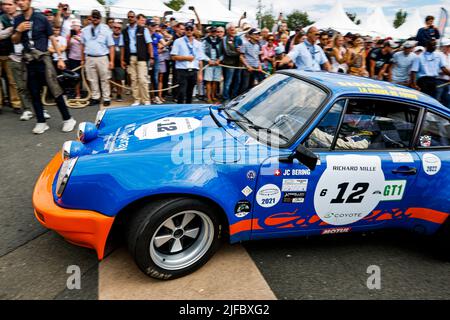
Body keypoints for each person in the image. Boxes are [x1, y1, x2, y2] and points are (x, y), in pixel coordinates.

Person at [12, 0, 76, 134]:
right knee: (34, 92)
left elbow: (52, 38)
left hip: (43, 59)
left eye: (23, 0)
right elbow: (15, 40)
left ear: (29, 1)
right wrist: (18, 31)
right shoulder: (17, 19)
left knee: (55, 90)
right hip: (29, 61)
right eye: (18, 1)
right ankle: (41, 121)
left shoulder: (40, 18)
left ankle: (68, 119)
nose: (21, 3)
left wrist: (59, 58)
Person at [80, 9, 114, 107]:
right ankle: (95, 97)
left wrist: (111, 61)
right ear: (91, 18)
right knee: (92, 79)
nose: (95, 19)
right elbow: (82, 45)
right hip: (89, 57)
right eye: (93, 17)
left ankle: (106, 98)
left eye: (97, 17)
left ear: (100, 18)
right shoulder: (85, 30)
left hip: (102, 57)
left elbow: (111, 46)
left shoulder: (106, 29)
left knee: (105, 79)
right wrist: (82, 59)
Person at [121, 12, 153, 106]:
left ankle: (146, 100)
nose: (130, 18)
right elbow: (122, 46)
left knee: (142, 79)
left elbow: (149, 43)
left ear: (135, 18)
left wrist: (151, 57)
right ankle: (137, 99)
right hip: (130, 57)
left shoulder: (143, 29)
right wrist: (123, 59)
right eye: (129, 17)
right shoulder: (125, 31)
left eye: (132, 17)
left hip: (141, 57)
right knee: (134, 80)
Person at [170, 22, 204, 104]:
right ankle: (179, 110)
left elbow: (200, 60)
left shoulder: (198, 43)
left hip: (193, 70)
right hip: (182, 70)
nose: (189, 31)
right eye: (187, 29)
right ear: (184, 30)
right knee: (181, 93)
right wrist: (186, 58)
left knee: (190, 93)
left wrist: (200, 74)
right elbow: (173, 56)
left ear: (194, 30)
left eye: (191, 29)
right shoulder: (178, 41)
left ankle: (188, 110)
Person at [0, 0, 21, 114]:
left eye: (9, 4)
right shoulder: (1, 17)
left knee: (13, 81)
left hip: (11, 54)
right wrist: (13, 30)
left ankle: (16, 104)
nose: (6, 7)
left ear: (15, 5)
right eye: (4, 4)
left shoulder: (20, 17)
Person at [221, 22, 242, 102]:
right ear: (228, 30)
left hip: (238, 64)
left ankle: (234, 97)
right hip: (229, 64)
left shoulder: (238, 38)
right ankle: (225, 98)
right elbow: (227, 52)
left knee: (237, 81)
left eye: (234, 29)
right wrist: (238, 53)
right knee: (228, 82)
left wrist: (241, 51)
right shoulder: (224, 39)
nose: (233, 31)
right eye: (232, 30)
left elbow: (242, 49)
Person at [202, 26, 223, 103]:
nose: (214, 33)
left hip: (217, 63)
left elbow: (223, 52)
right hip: (209, 63)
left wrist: (219, 60)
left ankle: (213, 96)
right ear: (210, 32)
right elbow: (202, 52)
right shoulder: (205, 41)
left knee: (215, 81)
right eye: (212, 31)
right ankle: (208, 97)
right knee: (208, 81)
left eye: (215, 31)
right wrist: (208, 60)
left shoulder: (220, 41)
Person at [240, 28, 263, 93]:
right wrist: (247, 66)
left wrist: (260, 66)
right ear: (250, 35)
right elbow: (241, 56)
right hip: (247, 69)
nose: (258, 35)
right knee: (245, 86)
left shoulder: (257, 46)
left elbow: (257, 57)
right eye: (255, 34)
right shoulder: (245, 44)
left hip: (255, 68)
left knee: (251, 85)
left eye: (258, 34)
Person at [147, 19, 164, 104]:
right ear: (148, 26)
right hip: (146, 58)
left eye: (155, 25)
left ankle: (156, 96)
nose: (154, 27)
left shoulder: (157, 35)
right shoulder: (145, 35)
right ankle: (148, 97)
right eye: (152, 25)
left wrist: (162, 48)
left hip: (156, 58)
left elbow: (164, 44)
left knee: (155, 77)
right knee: (146, 78)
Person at [67, 19, 82, 99]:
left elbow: (85, 44)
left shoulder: (83, 34)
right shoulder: (69, 35)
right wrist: (69, 39)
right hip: (72, 58)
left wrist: (79, 39)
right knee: (75, 77)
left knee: (82, 76)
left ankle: (82, 91)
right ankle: (77, 93)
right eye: (73, 26)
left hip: (81, 58)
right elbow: (68, 47)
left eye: (75, 26)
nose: (74, 28)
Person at [111, 20, 125, 102]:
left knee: (119, 79)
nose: (117, 29)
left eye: (119, 28)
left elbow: (124, 49)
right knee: (110, 78)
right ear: (112, 28)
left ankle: (119, 94)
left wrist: (123, 60)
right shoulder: (109, 36)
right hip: (110, 60)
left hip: (119, 61)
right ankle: (109, 93)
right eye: (115, 27)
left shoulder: (123, 37)